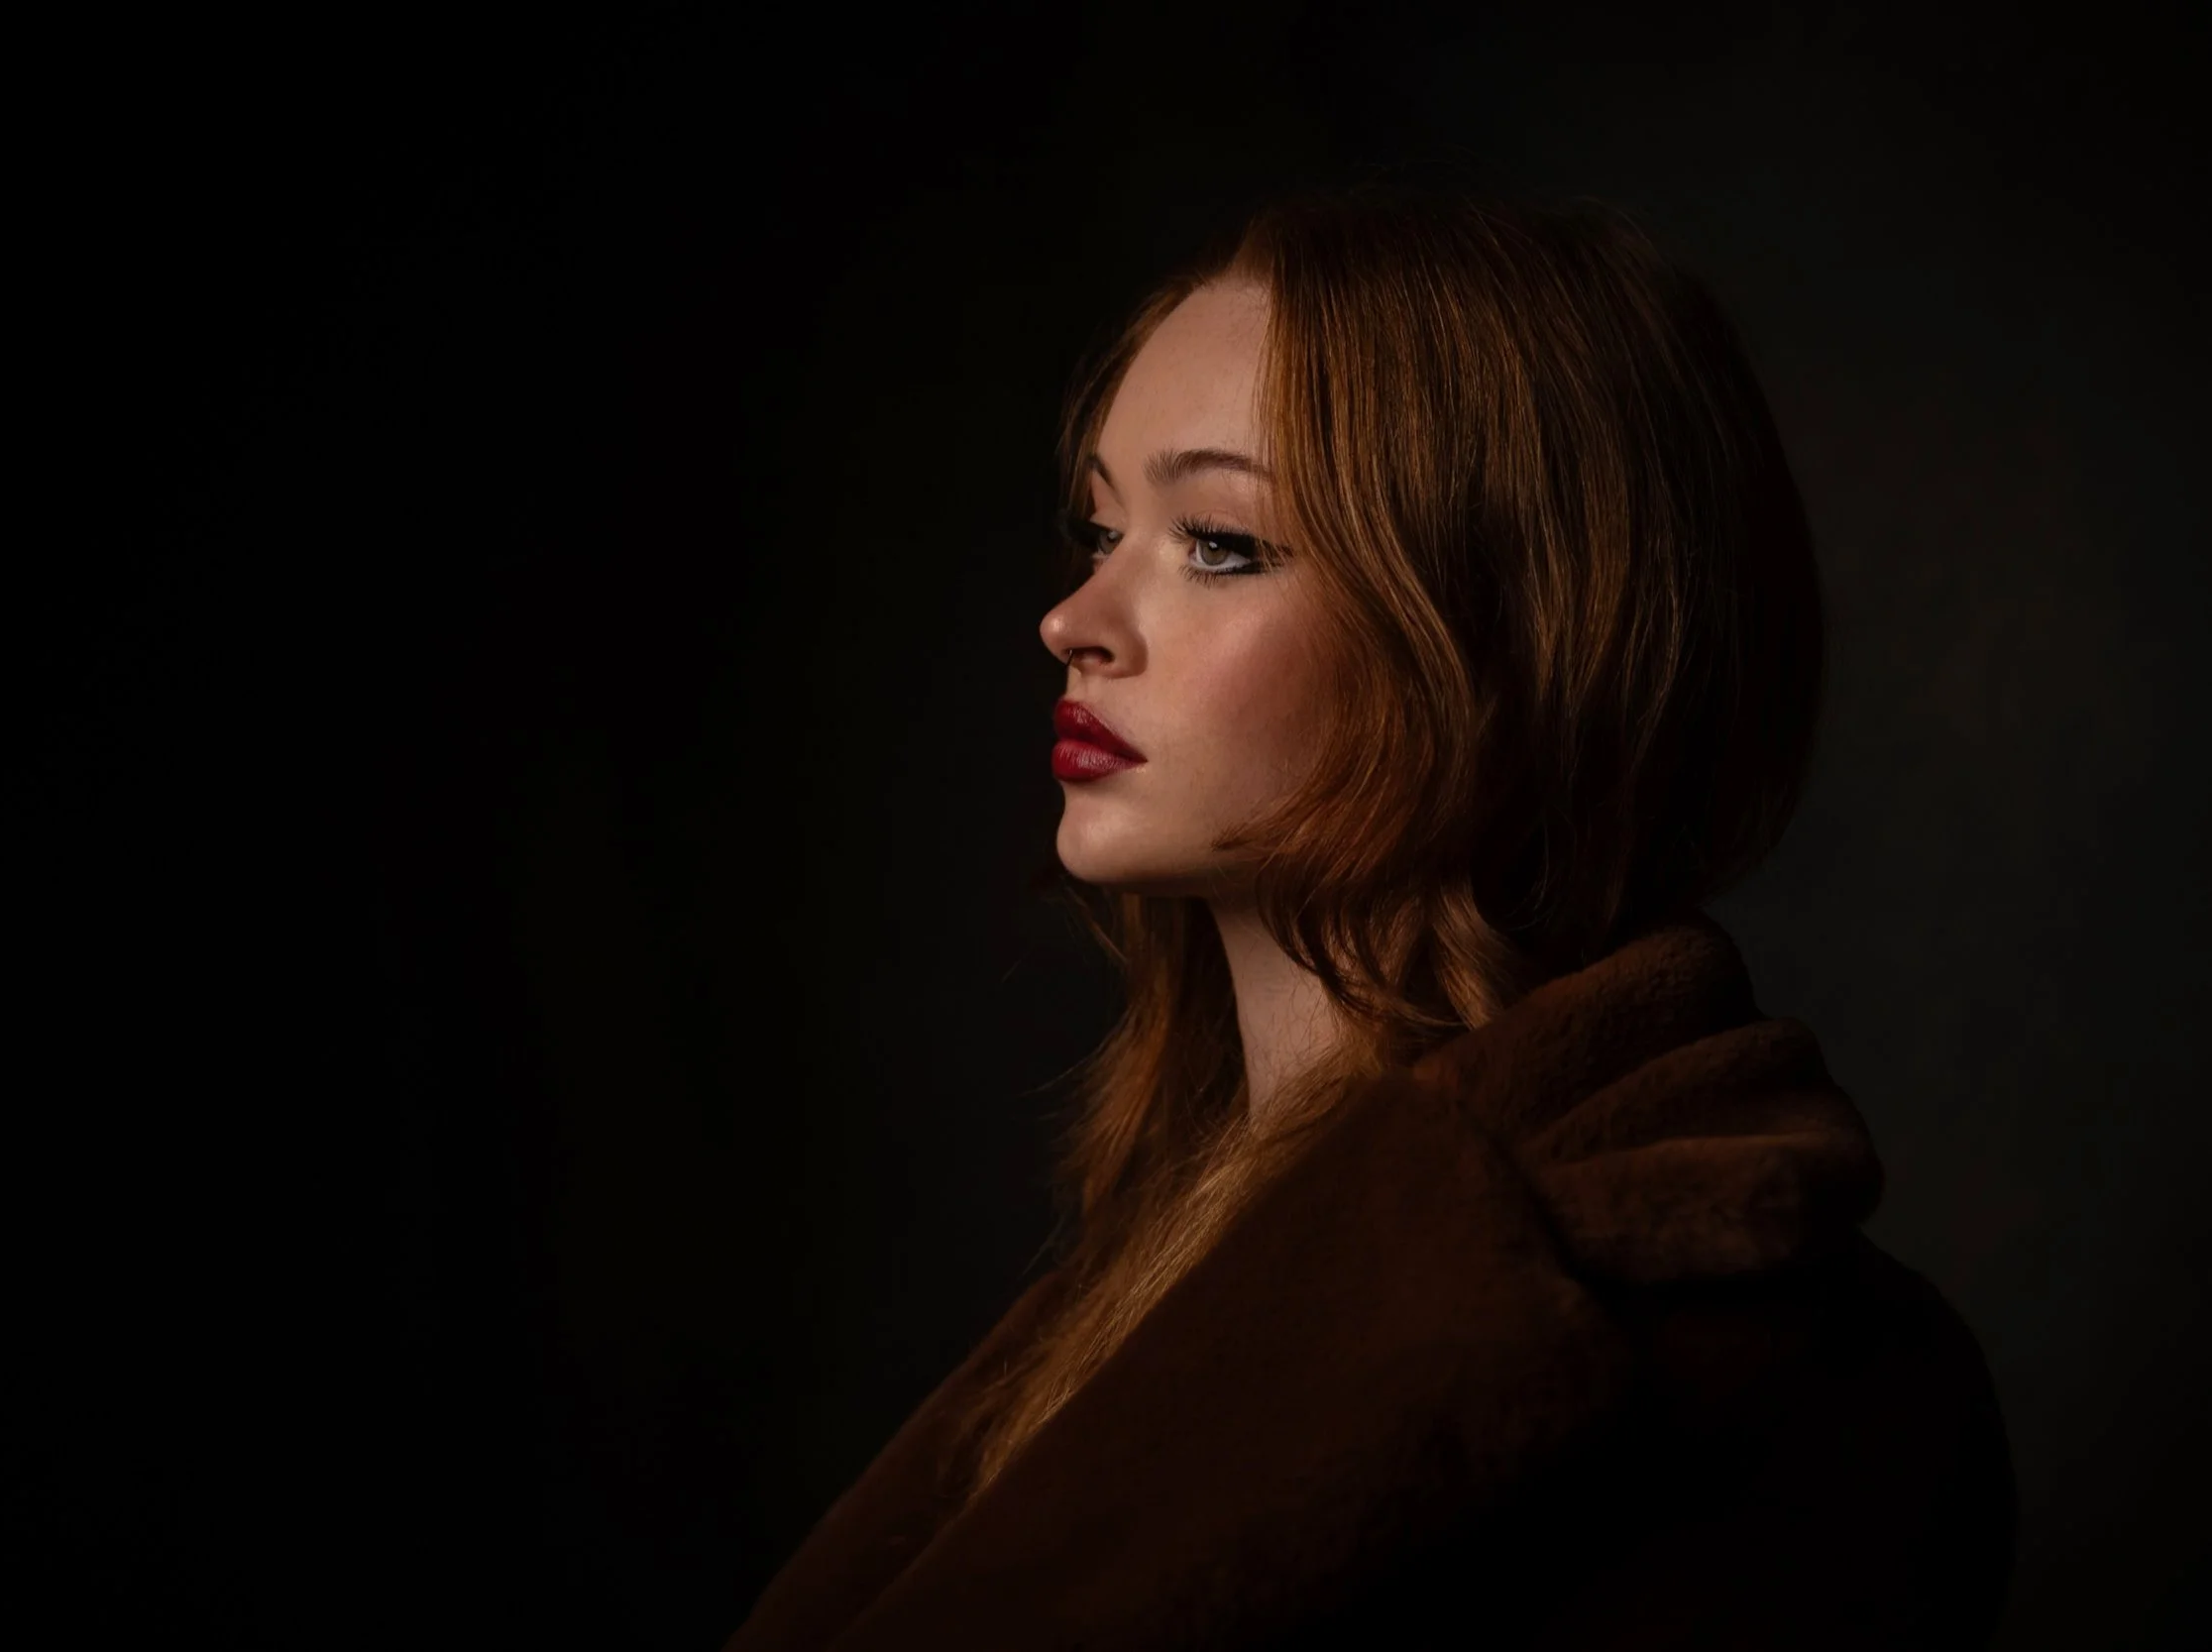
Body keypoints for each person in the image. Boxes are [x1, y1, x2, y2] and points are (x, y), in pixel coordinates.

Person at [724, 187, 2017, 1650]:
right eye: (1100, 524)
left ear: (1515, 626)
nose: (1075, 616)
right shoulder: (1169, 1259)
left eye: (1217, 540)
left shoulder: (1758, 1371)